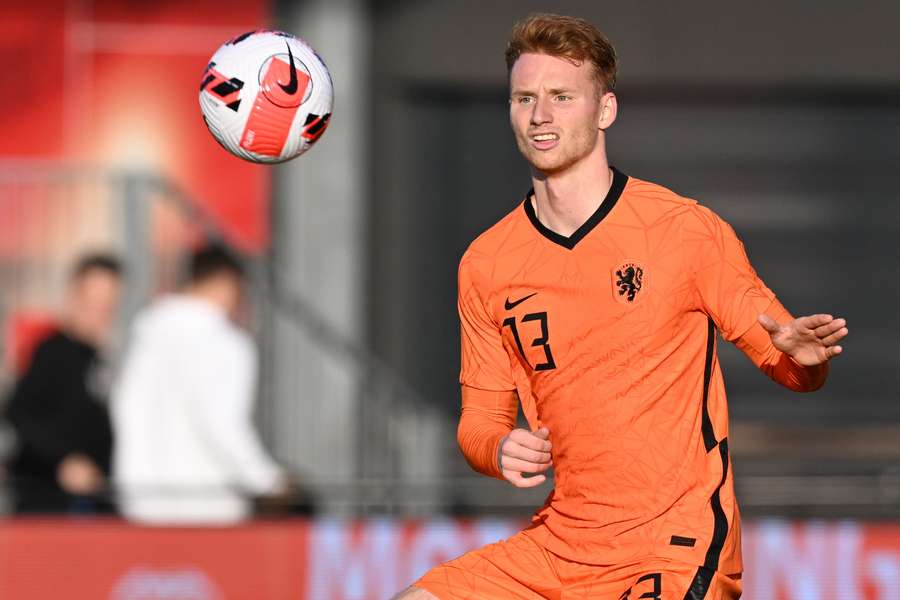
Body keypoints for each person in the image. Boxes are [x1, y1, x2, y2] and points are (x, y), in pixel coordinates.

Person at [397, 13, 849, 600]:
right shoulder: (486, 263)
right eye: (524, 98)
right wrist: (499, 447)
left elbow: (792, 367)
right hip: (562, 543)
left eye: (562, 97)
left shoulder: (684, 230)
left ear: (604, 110)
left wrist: (805, 358)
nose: (540, 115)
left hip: (675, 543)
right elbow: (479, 421)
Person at [112, 244, 289, 525]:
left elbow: (125, 408)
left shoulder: (148, 334)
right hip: (210, 511)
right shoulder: (227, 344)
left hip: (144, 508)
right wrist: (268, 481)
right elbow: (222, 424)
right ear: (227, 284)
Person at [5, 253, 122, 514]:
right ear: (74, 296)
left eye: (108, 305)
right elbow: (20, 413)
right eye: (93, 303)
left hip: (92, 503)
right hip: (49, 504)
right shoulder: (52, 352)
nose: (100, 313)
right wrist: (63, 461)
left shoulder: (99, 358)